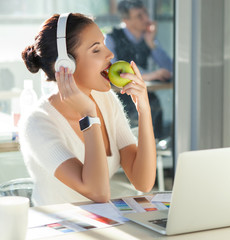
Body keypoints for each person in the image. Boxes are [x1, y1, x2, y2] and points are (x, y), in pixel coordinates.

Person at [20, 13, 157, 206]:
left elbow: (143, 181)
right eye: (96, 50)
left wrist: (144, 109)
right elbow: (98, 192)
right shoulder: (37, 122)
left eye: (104, 44)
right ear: (65, 64)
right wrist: (89, 115)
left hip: (99, 226)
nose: (110, 54)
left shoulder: (106, 100)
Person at [105, 0, 173, 139]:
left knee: (154, 132)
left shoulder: (148, 38)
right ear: (126, 20)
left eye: (146, 13)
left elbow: (171, 68)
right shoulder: (111, 38)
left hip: (145, 98)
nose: (147, 19)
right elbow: (112, 70)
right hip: (122, 99)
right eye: (139, 16)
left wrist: (151, 43)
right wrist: (150, 75)